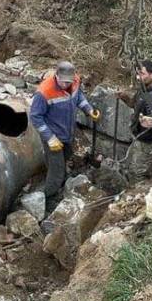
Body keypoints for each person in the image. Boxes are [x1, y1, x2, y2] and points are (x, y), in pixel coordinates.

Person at [29, 61, 100, 211]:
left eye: (69, 81)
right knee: (57, 171)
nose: (66, 85)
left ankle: (55, 175)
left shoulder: (74, 82)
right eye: (63, 82)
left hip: (67, 132)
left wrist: (88, 109)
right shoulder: (44, 92)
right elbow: (35, 117)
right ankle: (48, 198)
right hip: (53, 135)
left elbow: (78, 96)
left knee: (67, 154)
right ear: (56, 76)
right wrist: (50, 138)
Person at [123, 59, 152, 181]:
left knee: (137, 174)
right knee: (131, 168)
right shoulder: (145, 89)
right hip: (142, 138)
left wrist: (151, 120)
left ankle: (140, 196)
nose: (138, 77)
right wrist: (124, 98)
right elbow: (138, 105)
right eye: (137, 73)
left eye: (142, 74)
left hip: (147, 142)